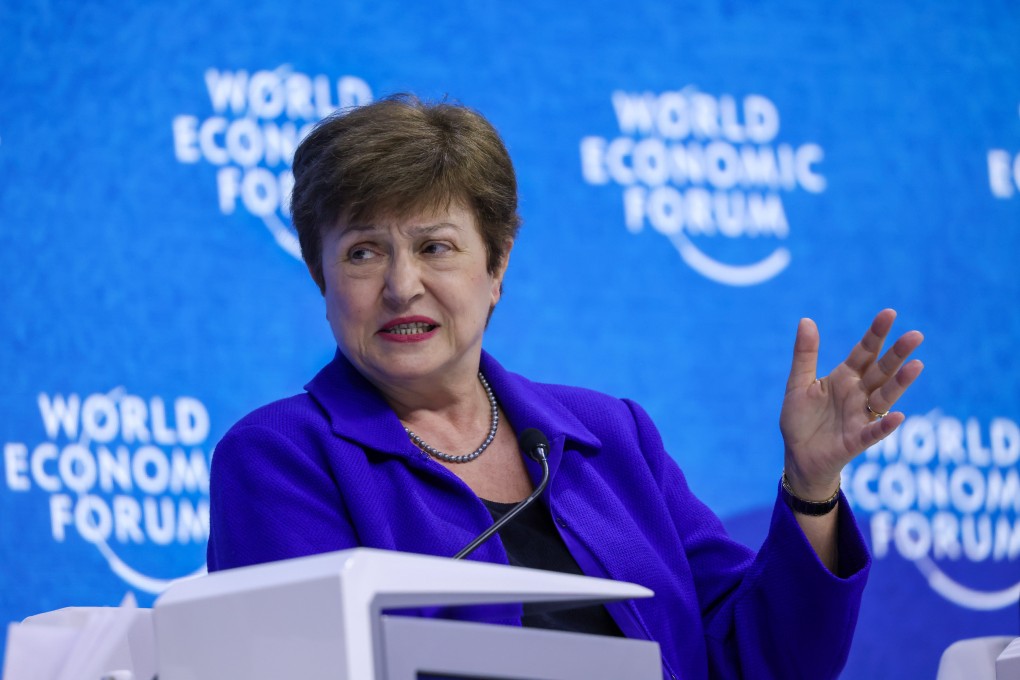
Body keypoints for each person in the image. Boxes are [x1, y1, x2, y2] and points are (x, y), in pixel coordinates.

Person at [206, 94, 924, 679]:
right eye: (363, 252)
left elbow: (763, 660)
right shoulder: (280, 456)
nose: (402, 285)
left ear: (496, 267)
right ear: (322, 278)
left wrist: (810, 487)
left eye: (435, 247)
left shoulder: (611, 437)